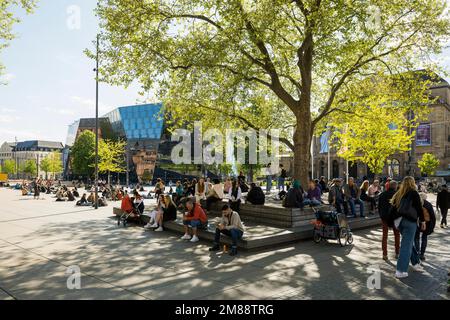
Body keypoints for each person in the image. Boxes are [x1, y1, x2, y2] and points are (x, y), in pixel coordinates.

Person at [390, 176, 426, 279]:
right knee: (406, 245)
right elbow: (419, 209)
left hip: (399, 222)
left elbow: (392, 208)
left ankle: (415, 263)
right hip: (410, 221)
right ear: (412, 183)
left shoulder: (398, 193)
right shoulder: (413, 193)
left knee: (409, 242)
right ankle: (400, 270)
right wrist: (423, 221)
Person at [378, 180, 400, 261]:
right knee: (397, 235)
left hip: (384, 218)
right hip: (395, 218)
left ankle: (384, 254)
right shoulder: (398, 195)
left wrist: (381, 216)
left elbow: (379, 206)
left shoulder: (382, 194)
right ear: (395, 186)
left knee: (384, 236)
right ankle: (397, 253)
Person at [415, 192, 436, 261]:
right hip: (427, 223)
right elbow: (433, 216)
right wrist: (432, 227)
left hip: (417, 223)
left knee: (417, 238)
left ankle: (417, 253)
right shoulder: (428, 204)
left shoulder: (416, 203)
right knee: (424, 238)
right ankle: (422, 254)